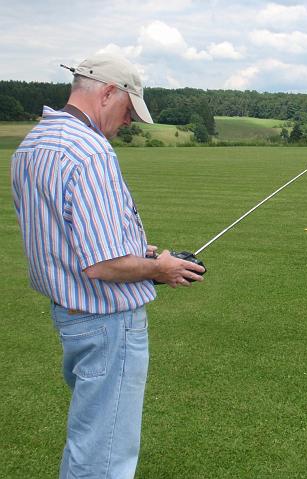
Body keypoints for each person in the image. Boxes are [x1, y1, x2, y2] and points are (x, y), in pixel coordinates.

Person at [10, 53, 205, 479]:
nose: (130, 121)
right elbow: (104, 265)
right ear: (108, 93)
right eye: (129, 109)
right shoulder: (90, 150)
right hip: (107, 321)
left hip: (71, 316)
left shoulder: (35, 142)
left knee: (90, 436)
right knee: (105, 451)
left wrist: (141, 248)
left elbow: (69, 234)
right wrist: (162, 268)